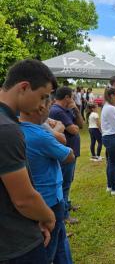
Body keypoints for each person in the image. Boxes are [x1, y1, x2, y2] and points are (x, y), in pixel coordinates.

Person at [0, 59, 57, 263]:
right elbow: (24, 199)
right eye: (42, 97)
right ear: (24, 87)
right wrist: (48, 217)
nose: (42, 105)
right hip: (16, 243)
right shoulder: (6, 129)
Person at [20, 97, 75, 263]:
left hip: (38, 197)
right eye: (48, 105)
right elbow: (68, 155)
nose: (50, 110)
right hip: (49, 199)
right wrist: (54, 129)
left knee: (60, 241)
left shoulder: (16, 128)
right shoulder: (40, 135)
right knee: (50, 247)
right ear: (40, 109)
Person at [49, 86, 83, 225]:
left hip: (71, 151)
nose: (74, 98)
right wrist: (74, 124)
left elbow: (80, 124)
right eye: (73, 96)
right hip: (65, 152)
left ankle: (67, 205)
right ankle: (64, 215)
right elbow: (74, 130)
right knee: (64, 183)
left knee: (68, 181)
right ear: (67, 98)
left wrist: (75, 109)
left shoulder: (67, 110)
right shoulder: (57, 111)